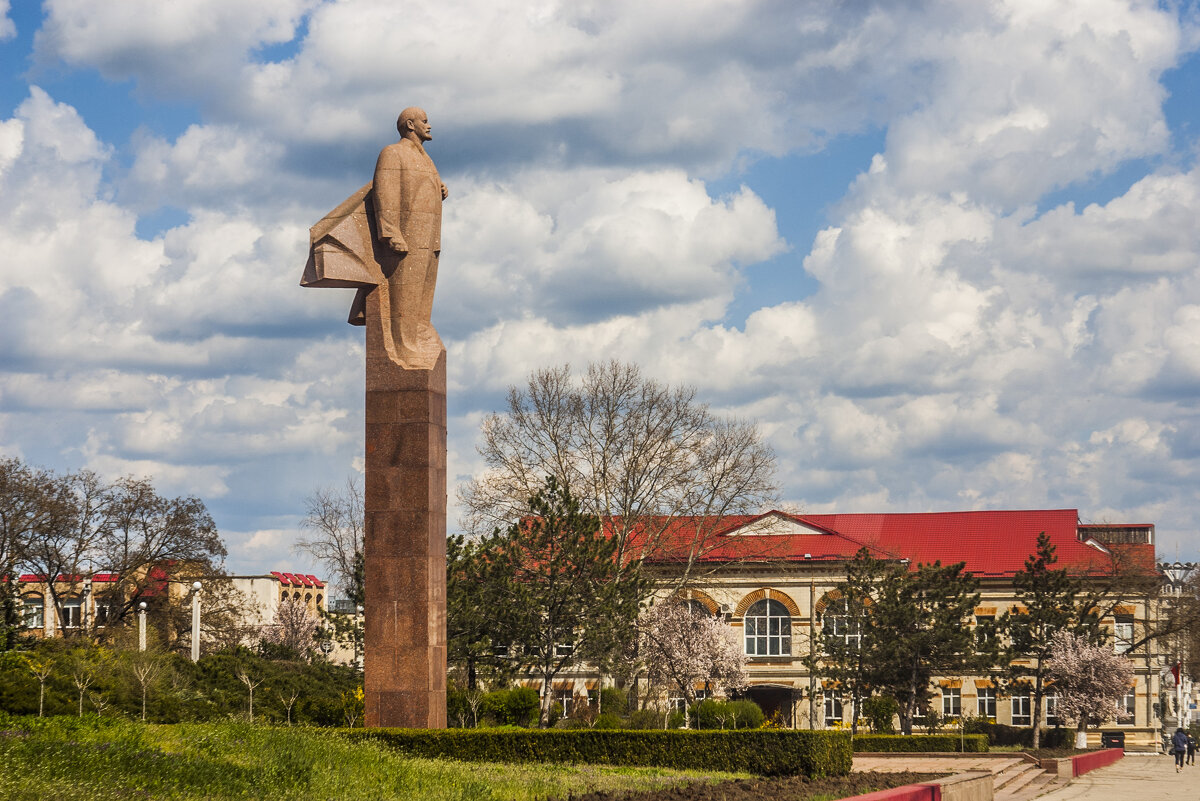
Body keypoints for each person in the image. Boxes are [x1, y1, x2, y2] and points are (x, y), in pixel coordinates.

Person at [366, 106, 449, 367]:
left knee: (423, 300)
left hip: (430, 240)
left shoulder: (426, 158)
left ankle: (419, 340)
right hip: (407, 240)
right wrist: (390, 233)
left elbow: (419, 187)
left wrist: (439, 188)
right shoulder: (393, 153)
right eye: (425, 121)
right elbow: (385, 192)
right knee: (405, 298)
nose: (429, 125)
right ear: (410, 125)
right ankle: (404, 347)